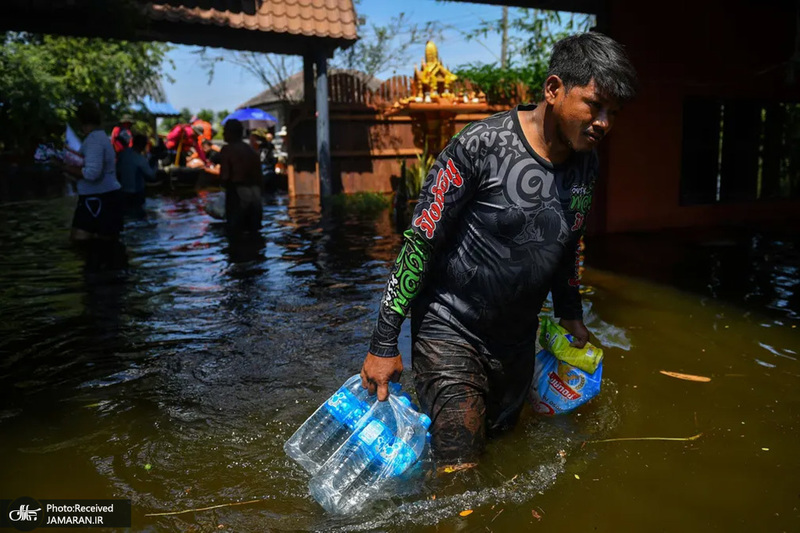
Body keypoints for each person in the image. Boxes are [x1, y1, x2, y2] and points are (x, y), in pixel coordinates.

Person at [360, 32, 638, 470]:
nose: (603, 122)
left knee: (504, 450)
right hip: (450, 328)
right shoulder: (480, 146)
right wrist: (383, 343)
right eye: (594, 105)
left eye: (613, 113)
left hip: (517, 338)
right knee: (460, 469)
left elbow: (568, 241)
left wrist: (570, 312)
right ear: (553, 89)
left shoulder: (588, 161)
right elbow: (419, 241)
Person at [65, 102, 124, 241]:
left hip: (98, 198)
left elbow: (92, 173)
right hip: (103, 196)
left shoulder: (94, 141)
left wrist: (63, 166)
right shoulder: (99, 138)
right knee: (105, 241)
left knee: (81, 240)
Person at [219, 119, 262, 235]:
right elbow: (259, 178)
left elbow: (225, 176)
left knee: (236, 234)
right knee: (254, 233)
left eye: (224, 131)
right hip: (255, 195)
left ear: (230, 133)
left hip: (238, 194)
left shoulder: (227, 150)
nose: (223, 134)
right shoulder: (252, 151)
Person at [116, 133, 156, 216]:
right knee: (138, 217)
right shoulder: (140, 159)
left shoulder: (123, 153)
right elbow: (151, 175)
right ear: (143, 145)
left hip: (122, 192)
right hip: (136, 194)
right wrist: (155, 164)